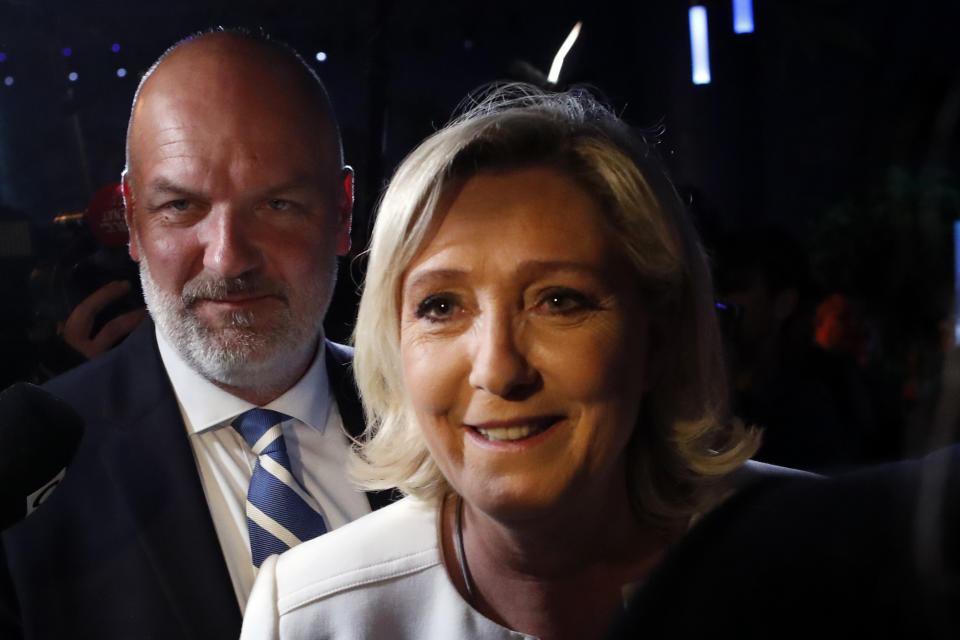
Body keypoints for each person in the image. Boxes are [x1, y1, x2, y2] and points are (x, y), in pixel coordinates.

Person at [241, 84, 772, 639]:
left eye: (559, 301)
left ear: (657, 335)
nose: (498, 370)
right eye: (441, 306)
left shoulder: (836, 552)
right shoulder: (311, 614)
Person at [0, 30, 391, 640]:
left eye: (278, 205)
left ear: (343, 213)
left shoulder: (442, 423)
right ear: (131, 219)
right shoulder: (24, 491)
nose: (228, 259)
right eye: (181, 207)